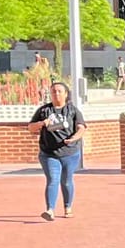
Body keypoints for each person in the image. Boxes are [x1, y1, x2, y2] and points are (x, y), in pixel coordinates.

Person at [27, 80, 85, 220]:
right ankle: (50, 210)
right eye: (53, 91)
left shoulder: (72, 110)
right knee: (53, 179)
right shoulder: (44, 110)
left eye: (59, 91)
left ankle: (67, 207)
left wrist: (74, 138)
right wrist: (42, 123)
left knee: (66, 180)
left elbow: (81, 128)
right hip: (49, 153)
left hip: (70, 152)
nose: (56, 94)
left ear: (66, 94)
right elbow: (30, 128)